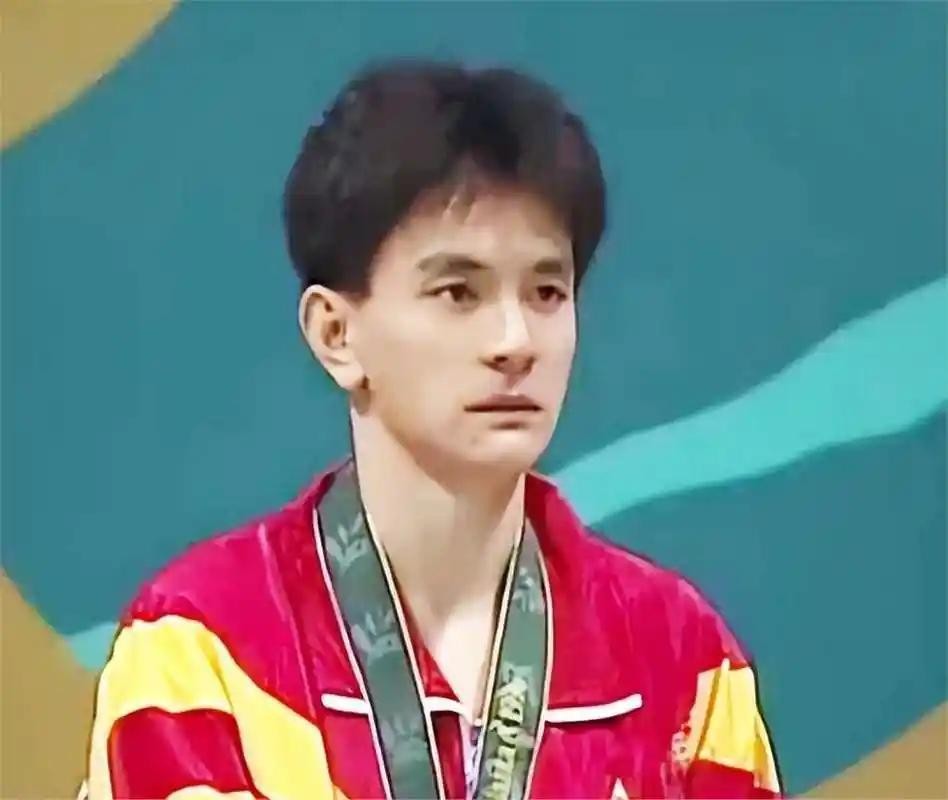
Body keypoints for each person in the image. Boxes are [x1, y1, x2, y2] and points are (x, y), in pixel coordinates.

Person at [85, 60, 781, 800]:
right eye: (458, 292)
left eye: (547, 292)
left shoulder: (681, 663)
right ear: (336, 335)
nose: (515, 341)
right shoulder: (203, 652)